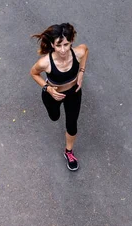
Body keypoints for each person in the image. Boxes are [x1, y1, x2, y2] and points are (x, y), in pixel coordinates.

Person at [30, 23, 89, 171]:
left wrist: (81, 72)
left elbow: (86, 50)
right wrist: (48, 88)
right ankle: (53, 109)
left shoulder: (78, 53)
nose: (63, 50)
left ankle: (69, 152)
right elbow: (33, 74)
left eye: (66, 44)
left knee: (72, 124)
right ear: (52, 44)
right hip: (52, 96)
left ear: (71, 42)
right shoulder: (45, 62)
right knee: (54, 117)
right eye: (58, 45)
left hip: (74, 93)